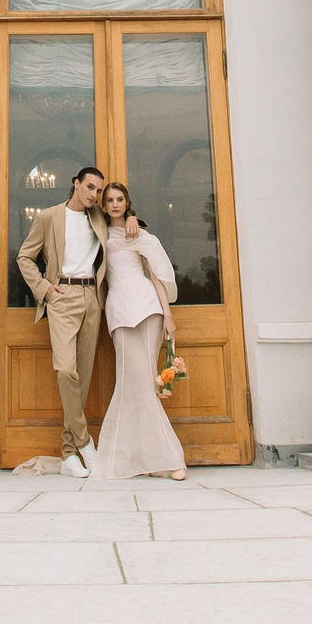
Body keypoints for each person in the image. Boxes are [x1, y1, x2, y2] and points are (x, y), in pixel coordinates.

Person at [15, 165, 107, 477]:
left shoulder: (99, 218)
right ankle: (84, 442)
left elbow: (125, 218)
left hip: (92, 298)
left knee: (82, 374)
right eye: (90, 187)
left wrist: (133, 219)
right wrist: (43, 289)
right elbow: (25, 257)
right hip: (62, 296)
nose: (94, 195)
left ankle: (69, 454)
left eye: (98, 190)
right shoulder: (49, 217)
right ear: (76, 184)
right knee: (66, 370)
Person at [92, 181, 187, 480]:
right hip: (119, 311)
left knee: (147, 383)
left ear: (127, 202)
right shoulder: (99, 234)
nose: (116, 204)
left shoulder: (139, 234)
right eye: (110, 200)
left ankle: (171, 460)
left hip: (149, 309)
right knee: (128, 383)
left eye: (120, 199)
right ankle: (134, 458)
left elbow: (156, 277)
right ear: (104, 206)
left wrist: (168, 316)